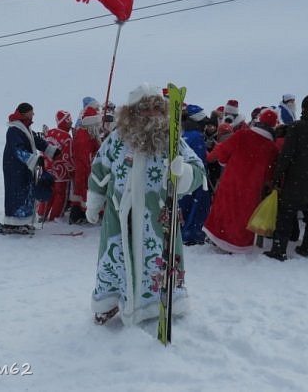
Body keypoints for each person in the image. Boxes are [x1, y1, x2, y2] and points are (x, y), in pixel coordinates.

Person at [85, 83, 206, 326]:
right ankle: (109, 302)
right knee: (115, 260)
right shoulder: (116, 139)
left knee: (156, 262)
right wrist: (93, 201)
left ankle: (156, 304)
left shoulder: (172, 140)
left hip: (157, 216)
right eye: (145, 108)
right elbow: (100, 167)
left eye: (156, 108)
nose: (152, 113)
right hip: (119, 216)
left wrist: (182, 175)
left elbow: (198, 170)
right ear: (133, 112)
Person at [264, 94, 308, 261]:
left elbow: (286, 156)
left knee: (286, 216)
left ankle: (279, 250)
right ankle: (307, 247)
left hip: (295, 180)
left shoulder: (297, 128)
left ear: (303, 109)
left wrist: (277, 176)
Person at [203, 108, 279, 254]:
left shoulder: (243, 135)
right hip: (252, 187)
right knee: (243, 214)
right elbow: (270, 173)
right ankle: (238, 243)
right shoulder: (271, 148)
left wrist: (222, 162)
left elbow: (223, 152)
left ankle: (220, 239)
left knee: (225, 210)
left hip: (231, 180)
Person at [1, 102, 59, 235]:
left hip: (25, 167)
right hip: (14, 168)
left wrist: (51, 150)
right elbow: (17, 149)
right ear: (24, 113)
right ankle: (13, 223)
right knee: (16, 194)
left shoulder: (24, 128)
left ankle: (23, 221)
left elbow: (37, 142)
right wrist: (32, 159)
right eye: (31, 112)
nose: (33, 114)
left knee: (26, 193)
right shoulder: (14, 130)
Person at [179, 104, 211, 245]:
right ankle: (192, 233)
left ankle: (181, 229)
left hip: (183, 174)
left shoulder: (183, 134)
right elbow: (199, 159)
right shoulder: (197, 136)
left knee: (184, 203)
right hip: (195, 175)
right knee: (199, 205)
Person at [37, 110, 75, 222]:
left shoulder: (49, 133)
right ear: (65, 121)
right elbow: (68, 157)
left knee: (48, 192)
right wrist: (73, 170)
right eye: (69, 120)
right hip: (62, 173)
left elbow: (43, 151)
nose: (71, 123)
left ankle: (41, 214)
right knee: (60, 195)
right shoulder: (67, 137)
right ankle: (56, 217)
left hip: (48, 170)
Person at [69, 106, 103, 224]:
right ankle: (79, 215)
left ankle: (79, 214)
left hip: (85, 169)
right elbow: (83, 157)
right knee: (82, 193)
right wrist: (90, 169)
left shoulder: (88, 133)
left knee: (80, 194)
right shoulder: (83, 137)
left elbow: (96, 148)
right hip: (83, 170)